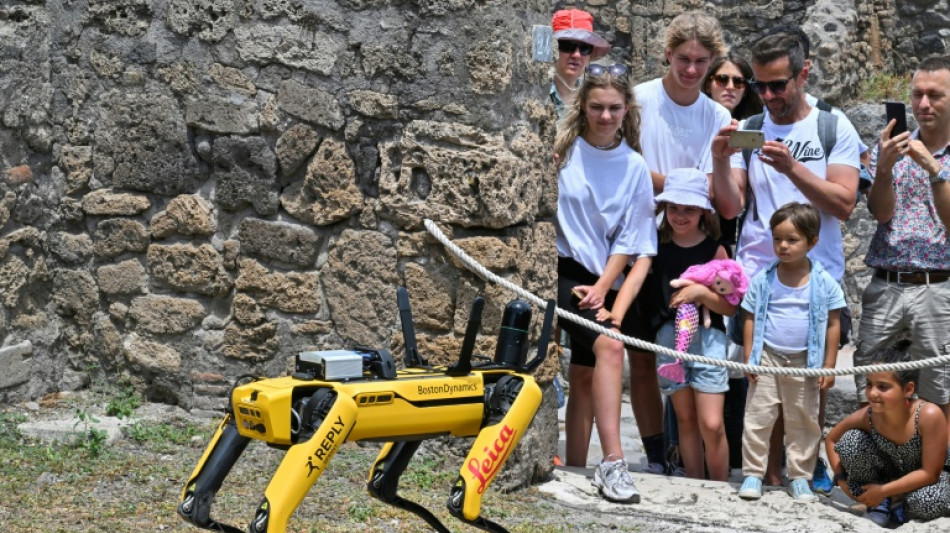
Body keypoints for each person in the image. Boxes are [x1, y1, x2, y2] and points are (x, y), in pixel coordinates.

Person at [710, 30, 861, 489]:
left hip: (817, 278)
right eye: (760, 86)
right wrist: (721, 159)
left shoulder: (833, 126)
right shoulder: (752, 126)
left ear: (803, 73)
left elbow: (845, 203)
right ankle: (767, 475)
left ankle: (803, 468)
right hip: (761, 277)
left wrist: (792, 167)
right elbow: (732, 206)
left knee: (810, 381)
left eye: (778, 85)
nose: (768, 96)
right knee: (762, 385)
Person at [630, 10, 731, 476]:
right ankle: (655, 453)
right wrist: (685, 186)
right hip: (640, 236)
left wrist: (668, 187)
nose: (691, 70)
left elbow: (721, 191)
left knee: (690, 352)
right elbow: (626, 164)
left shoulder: (718, 115)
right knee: (643, 354)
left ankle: (689, 464)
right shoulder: (639, 99)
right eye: (684, 59)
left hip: (693, 245)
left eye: (701, 61)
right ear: (668, 54)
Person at [554, 62, 656, 503]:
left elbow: (633, 240)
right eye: (597, 107)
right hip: (565, 271)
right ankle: (613, 462)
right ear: (583, 106)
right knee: (611, 347)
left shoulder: (634, 166)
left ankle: (576, 466)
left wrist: (604, 287)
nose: (606, 116)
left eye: (614, 107)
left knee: (584, 371)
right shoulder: (563, 151)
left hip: (605, 277)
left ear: (626, 108)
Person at [601, 168, 735, 481]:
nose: (680, 215)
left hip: (708, 339)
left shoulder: (715, 249)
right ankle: (695, 481)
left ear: (702, 211)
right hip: (668, 339)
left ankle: (719, 487)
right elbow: (636, 280)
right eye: (674, 208)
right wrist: (615, 315)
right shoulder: (656, 247)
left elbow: (729, 305)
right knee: (685, 419)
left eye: (689, 209)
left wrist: (700, 293)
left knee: (712, 423)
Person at [854, 55, 950, 431]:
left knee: (938, 389)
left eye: (935, 95)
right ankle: (878, 461)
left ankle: (938, 464)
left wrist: (935, 170)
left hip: (938, 287)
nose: (923, 104)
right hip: (887, 283)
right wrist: (883, 169)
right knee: (873, 385)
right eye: (917, 95)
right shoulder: (892, 147)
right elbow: (881, 213)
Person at [736, 202, 845, 502]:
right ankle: (753, 474)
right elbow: (750, 318)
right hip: (767, 358)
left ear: (812, 242)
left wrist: (829, 366)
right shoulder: (763, 279)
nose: (783, 246)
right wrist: (750, 358)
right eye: (777, 239)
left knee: (803, 421)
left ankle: (800, 477)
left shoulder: (824, 283)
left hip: (805, 363)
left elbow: (833, 324)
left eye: (792, 240)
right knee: (758, 418)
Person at [702, 50, 761, 472]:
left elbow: (737, 200)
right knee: (691, 347)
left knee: (734, 356)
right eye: (721, 79)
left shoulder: (752, 129)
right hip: (697, 245)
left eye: (739, 81)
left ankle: (735, 453)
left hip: (736, 249)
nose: (729, 87)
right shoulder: (697, 121)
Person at [827, 339, 950, 526]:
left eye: (883, 387)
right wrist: (842, 481)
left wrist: (883, 491)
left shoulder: (928, 415)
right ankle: (879, 506)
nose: (872, 393)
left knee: (931, 500)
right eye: (869, 384)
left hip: (925, 483)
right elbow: (832, 440)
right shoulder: (869, 415)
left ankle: (897, 510)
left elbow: (930, 473)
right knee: (851, 441)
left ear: (908, 389)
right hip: (887, 477)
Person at [549, 8, 610, 119]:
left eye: (584, 48)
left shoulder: (593, 94)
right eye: (567, 46)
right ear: (553, 48)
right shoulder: (538, 94)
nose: (577, 55)